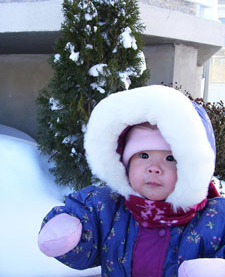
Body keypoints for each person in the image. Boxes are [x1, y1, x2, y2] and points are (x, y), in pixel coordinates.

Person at [38, 85, 225, 277]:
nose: (154, 167)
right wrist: (69, 234)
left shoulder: (216, 219)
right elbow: (85, 223)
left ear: (192, 168)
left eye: (170, 158)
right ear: (125, 164)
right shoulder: (110, 208)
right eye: (143, 155)